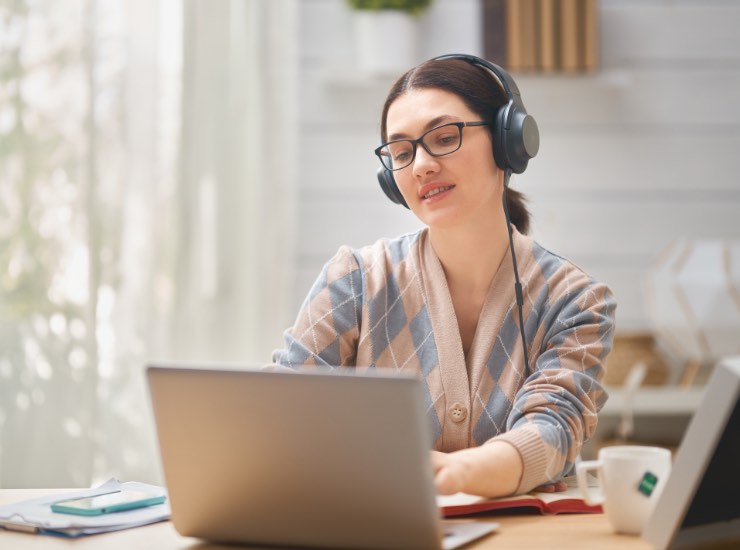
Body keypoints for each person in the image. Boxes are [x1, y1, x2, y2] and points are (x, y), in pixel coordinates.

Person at [272, 54, 616, 498]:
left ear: (508, 141)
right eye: (401, 151)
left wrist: (457, 474)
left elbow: (554, 428)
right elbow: (281, 410)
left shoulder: (575, 300)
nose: (420, 166)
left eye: (444, 137)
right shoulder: (354, 280)